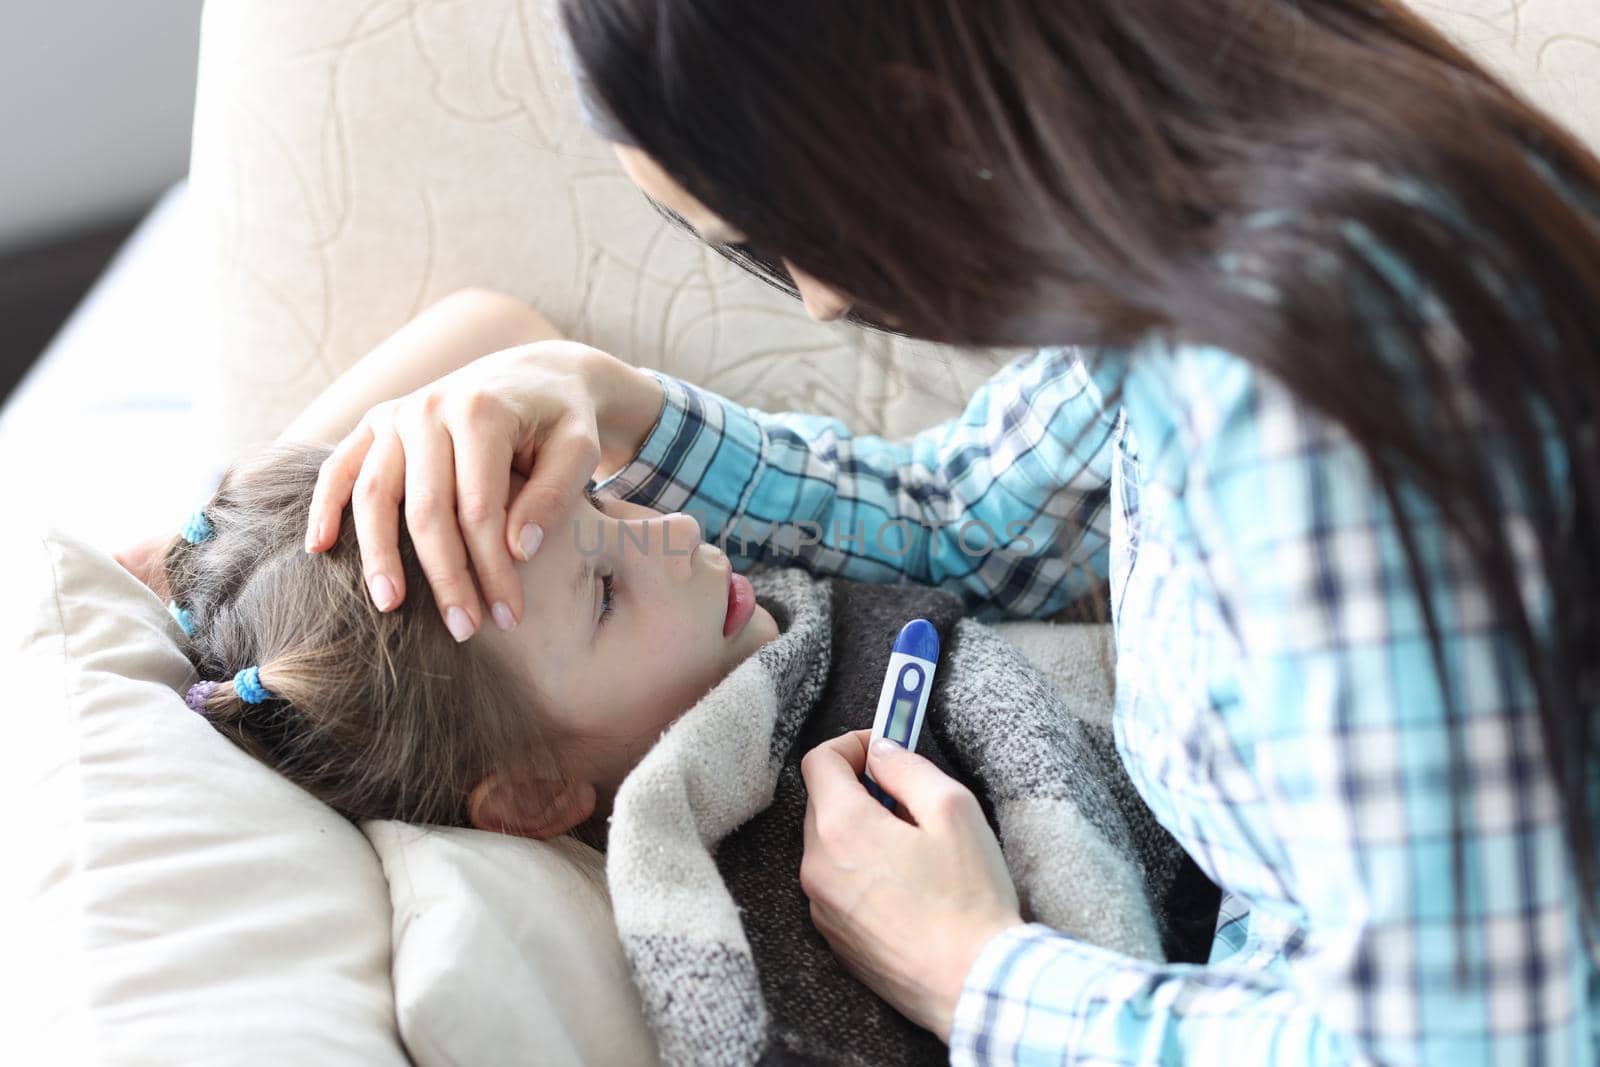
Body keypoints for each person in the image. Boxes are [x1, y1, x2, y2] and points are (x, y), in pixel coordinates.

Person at [284, 1, 1600, 1062]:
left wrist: (975, 974)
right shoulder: (1195, 239)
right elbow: (973, 519)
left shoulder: (1316, 401)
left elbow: (1466, 1041)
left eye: (778, 235)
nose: (817, 299)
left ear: (913, 115)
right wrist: (611, 404)